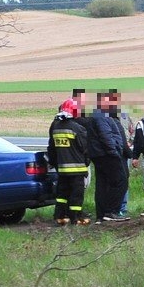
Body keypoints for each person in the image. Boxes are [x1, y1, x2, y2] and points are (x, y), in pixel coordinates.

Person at [86, 91, 130, 220]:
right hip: (107, 155)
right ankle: (111, 211)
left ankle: (102, 214)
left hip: (99, 154)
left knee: (103, 184)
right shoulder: (101, 116)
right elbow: (106, 136)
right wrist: (114, 152)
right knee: (120, 181)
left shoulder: (100, 115)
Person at [48, 98, 92, 225]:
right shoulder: (77, 128)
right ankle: (76, 218)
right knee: (76, 195)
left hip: (62, 169)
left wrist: (55, 163)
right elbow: (86, 149)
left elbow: (52, 148)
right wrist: (86, 162)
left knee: (62, 195)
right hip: (77, 169)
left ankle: (59, 216)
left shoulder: (55, 127)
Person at [106, 88, 134, 216]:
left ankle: (123, 207)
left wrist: (130, 142)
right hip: (112, 152)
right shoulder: (105, 115)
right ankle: (112, 207)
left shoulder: (124, 114)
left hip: (124, 152)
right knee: (113, 180)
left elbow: (132, 130)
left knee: (124, 178)